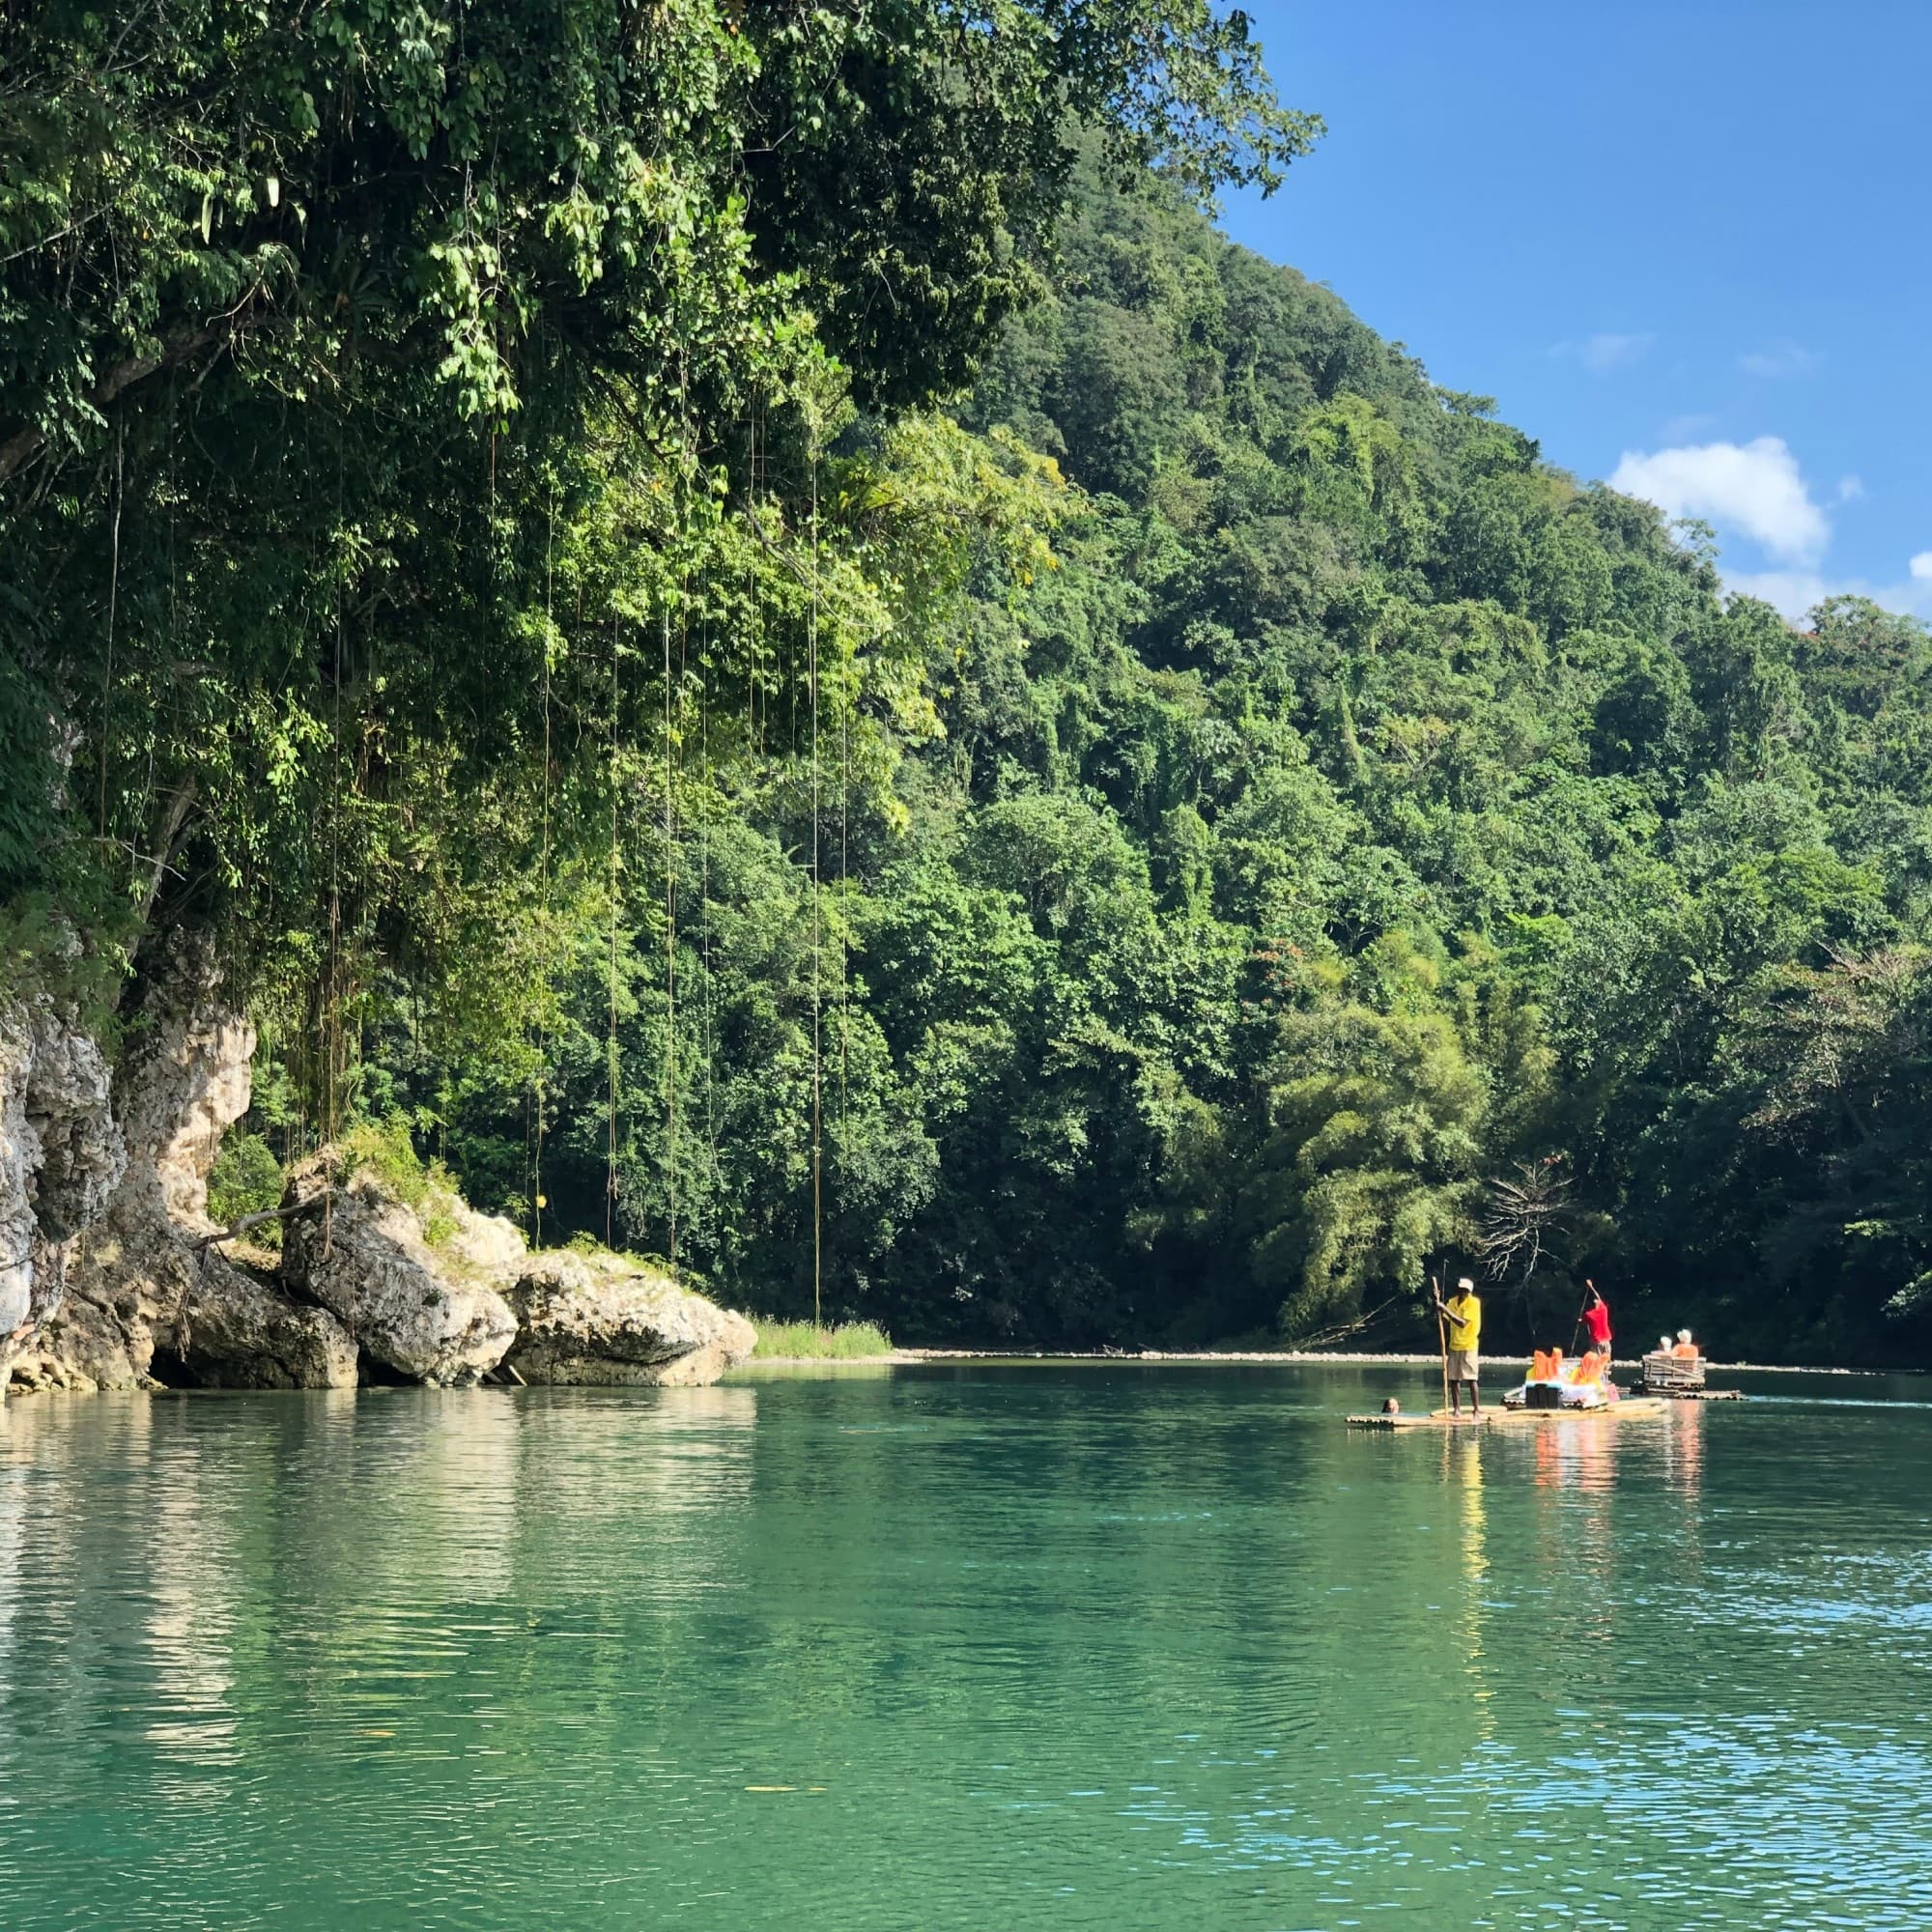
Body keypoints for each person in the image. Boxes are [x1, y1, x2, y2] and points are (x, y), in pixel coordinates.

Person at [1433, 1275, 1482, 1416]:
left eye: (1466, 1290)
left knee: (1471, 1378)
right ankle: (1457, 1409)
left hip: (1469, 1345)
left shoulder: (1474, 1303)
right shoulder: (1452, 1302)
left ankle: (1476, 1410)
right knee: (1454, 1379)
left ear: (1469, 1291)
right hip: (1454, 1345)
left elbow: (1462, 1323)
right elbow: (1444, 1316)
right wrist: (1438, 1303)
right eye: (1461, 1289)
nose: (1463, 1292)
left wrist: (1443, 1309)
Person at [1582, 1283, 1612, 1359]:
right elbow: (1598, 1297)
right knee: (1606, 1363)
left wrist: (1580, 1320)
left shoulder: (1588, 1314)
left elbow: (1584, 1322)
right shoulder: (1604, 1310)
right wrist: (1591, 1286)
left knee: (1597, 1364)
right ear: (1599, 1304)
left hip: (1596, 1342)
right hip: (1606, 1341)